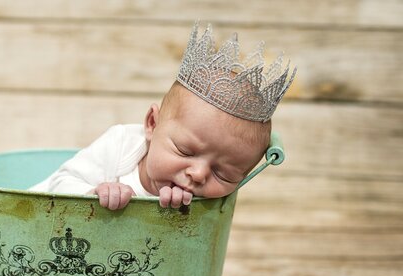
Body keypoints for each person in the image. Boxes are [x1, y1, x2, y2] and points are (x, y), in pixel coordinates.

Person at [30, 22, 296, 210]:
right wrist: (94, 193)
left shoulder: (206, 201)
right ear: (152, 124)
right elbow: (59, 184)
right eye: (184, 151)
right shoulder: (122, 143)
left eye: (223, 174)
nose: (199, 173)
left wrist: (178, 216)